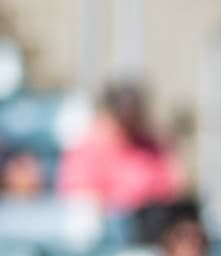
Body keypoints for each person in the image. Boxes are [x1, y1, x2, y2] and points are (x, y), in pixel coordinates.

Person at [56, 81, 183, 214]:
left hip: (148, 218)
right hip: (105, 220)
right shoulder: (90, 145)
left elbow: (171, 190)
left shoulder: (152, 147)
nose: (129, 120)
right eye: (123, 112)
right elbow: (76, 193)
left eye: (134, 112)